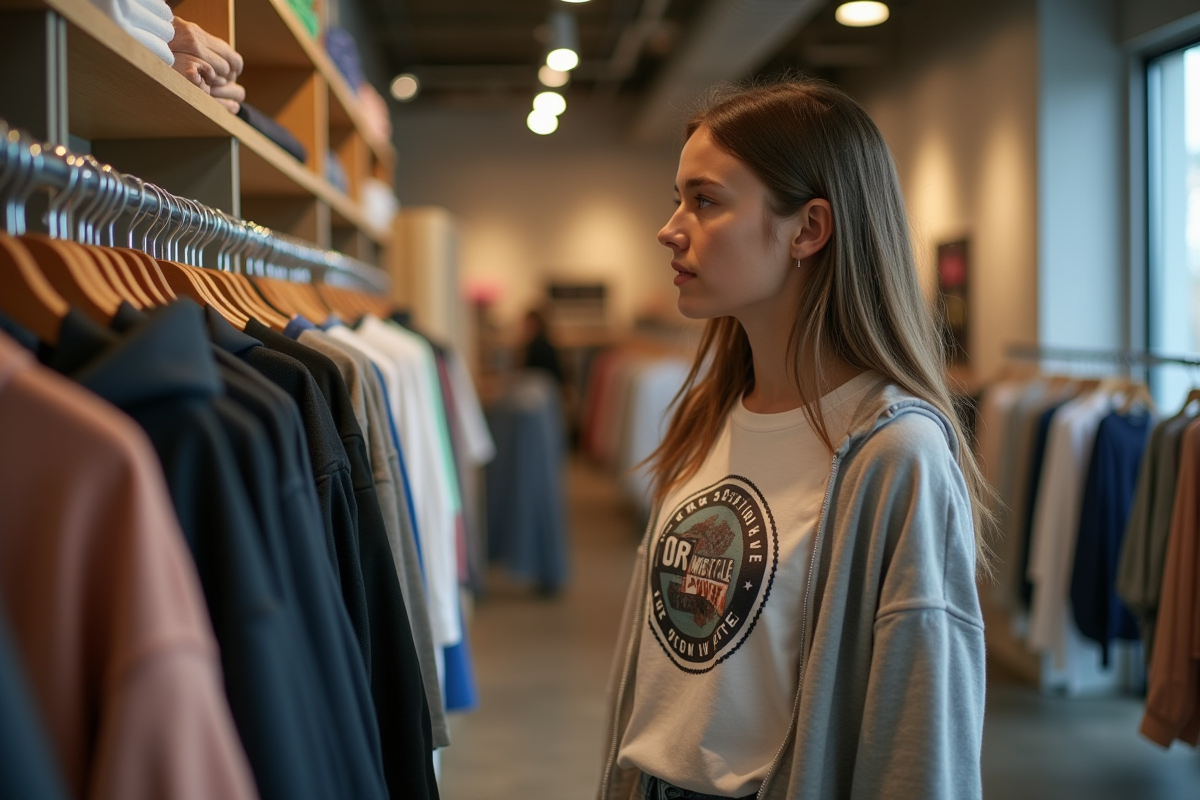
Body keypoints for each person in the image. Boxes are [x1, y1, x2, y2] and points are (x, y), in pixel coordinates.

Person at [598, 78, 991, 800]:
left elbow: (921, 742)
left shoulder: (894, 454)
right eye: (677, 197)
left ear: (808, 228)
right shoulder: (706, 416)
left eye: (705, 200)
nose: (670, 227)